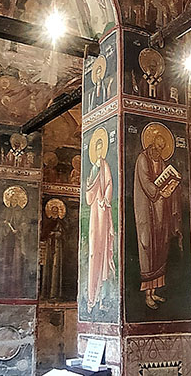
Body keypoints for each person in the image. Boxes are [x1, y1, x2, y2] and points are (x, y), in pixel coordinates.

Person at [132, 123, 181, 310]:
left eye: (161, 148)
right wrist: (158, 191)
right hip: (147, 211)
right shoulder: (142, 159)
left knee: (160, 247)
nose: (158, 151)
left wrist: (171, 187)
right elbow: (145, 182)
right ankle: (147, 294)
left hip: (161, 212)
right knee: (148, 247)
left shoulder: (161, 162)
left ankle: (154, 291)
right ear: (151, 144)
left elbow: (165, 181)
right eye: (156, 147)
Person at [84, 129, 114, 311]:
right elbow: (88, 195)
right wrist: (90, 186)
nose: (99, 150)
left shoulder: (105, 166)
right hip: (94, 210)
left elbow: (109, 183)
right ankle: (92, 295)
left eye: (101, 147)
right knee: (94, 247)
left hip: (102, 208)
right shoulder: (93, 168)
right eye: (97, 147)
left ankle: (102, 293)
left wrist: (105, 200)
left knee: (102, 244)